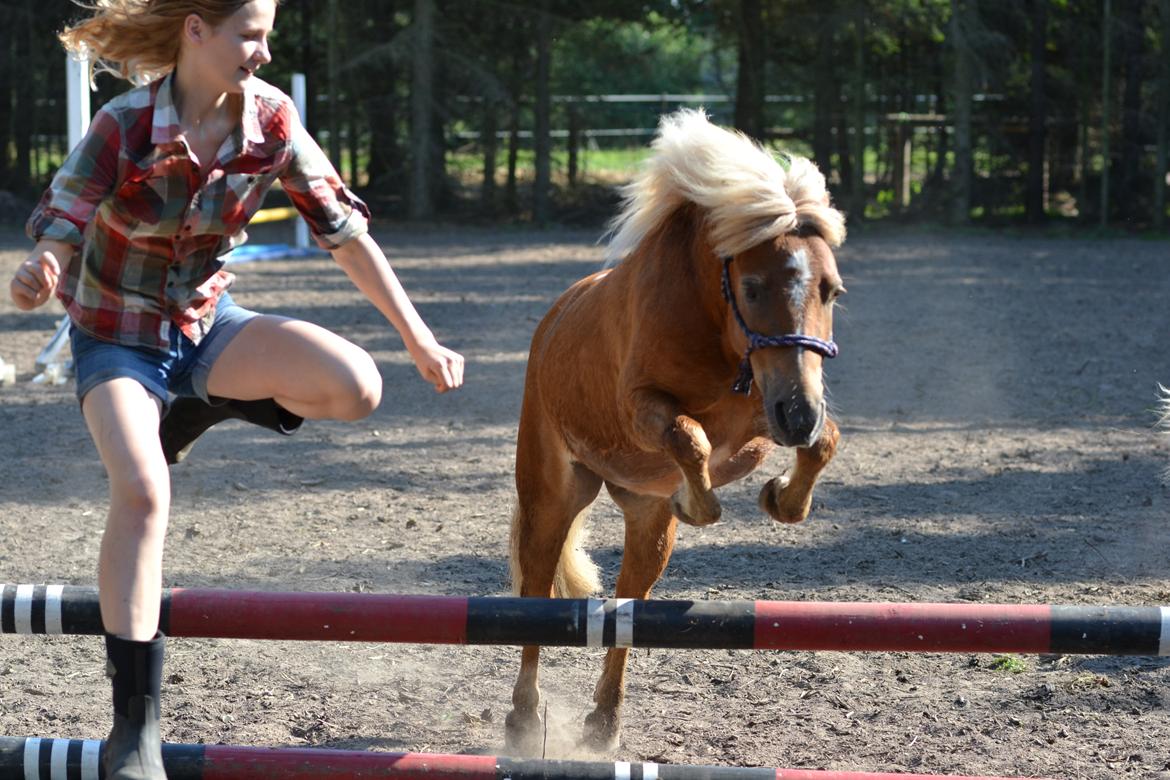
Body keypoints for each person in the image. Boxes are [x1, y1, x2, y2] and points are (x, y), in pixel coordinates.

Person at [8, 1, 464, 777]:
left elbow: (346, 235)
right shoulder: (125, 125)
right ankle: (134, 729)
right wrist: (44, 266)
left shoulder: (275, 122)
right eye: (250, 33)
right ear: (196, 31)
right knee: (145, 493)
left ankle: (196, 404)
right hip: (116, 335)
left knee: (357, 388)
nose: (264, 49)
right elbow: (63, 217)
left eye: (268, 34)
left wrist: (417, 336)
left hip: (205, 327)